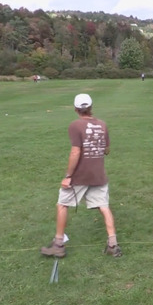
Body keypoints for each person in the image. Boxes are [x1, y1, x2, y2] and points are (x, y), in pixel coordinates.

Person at [41, 93, 122, 257]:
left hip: (80, 176)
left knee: (62, 204)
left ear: (76, 109)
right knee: (104, 207)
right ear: (91, 108)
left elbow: (75, 151)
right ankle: (113, 245)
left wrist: (68, 175)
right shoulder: (102, 124)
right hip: (98, 175)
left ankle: (58, 244)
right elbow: (106, 150)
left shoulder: (75, 125)